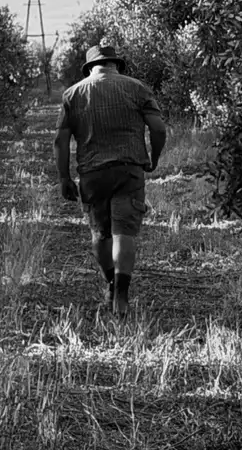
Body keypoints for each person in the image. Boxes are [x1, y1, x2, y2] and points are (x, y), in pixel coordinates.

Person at [53, 44, 167, 316]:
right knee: (124, 232)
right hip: (129, 170)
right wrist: (154, 158)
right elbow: (158, 128)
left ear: (90, 68)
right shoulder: (138, 88)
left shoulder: (73, 94)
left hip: (92, 173)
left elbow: (60, 140)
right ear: (116, 65)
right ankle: (122, 297)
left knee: (100, 234)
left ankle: (111, 283)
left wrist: (64, 177)